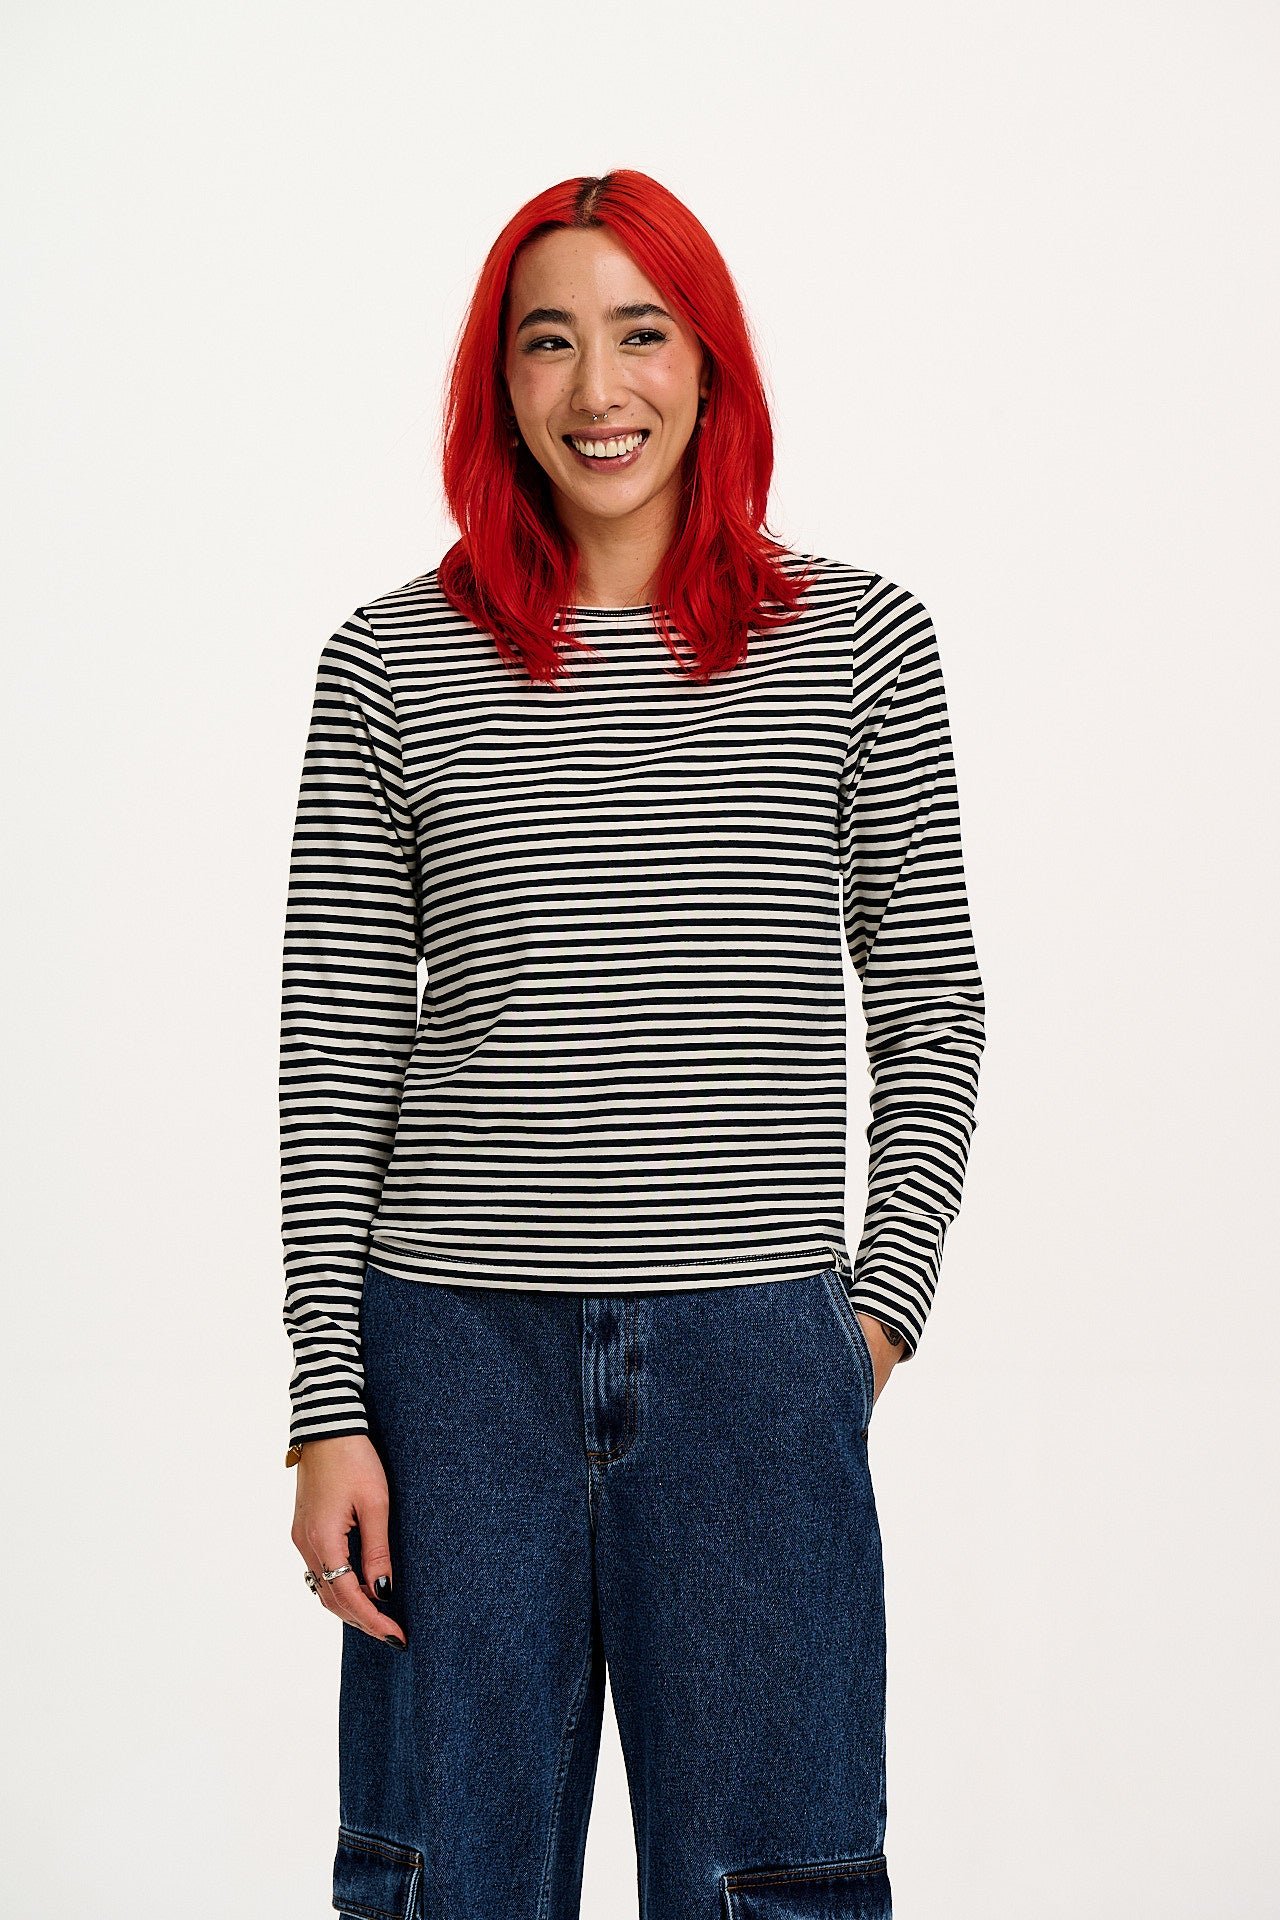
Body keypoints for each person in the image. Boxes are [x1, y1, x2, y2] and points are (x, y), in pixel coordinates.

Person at [279, 168, 985, 1920]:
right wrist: (328, 1405)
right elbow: (336, 1050)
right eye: (549, 343)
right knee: (445, 1884)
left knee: (776, 1885)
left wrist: (872, 1317)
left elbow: (931, 999)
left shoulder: (858, 643)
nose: (598, 389)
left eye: (642, 334)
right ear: (499, 383)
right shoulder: (390, 663)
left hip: (757, 1359)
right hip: (453, 1368)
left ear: (709, 360)